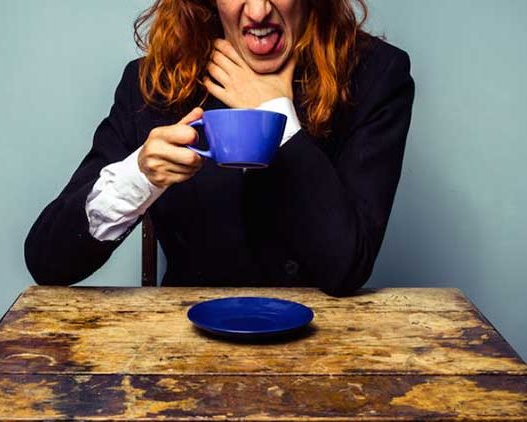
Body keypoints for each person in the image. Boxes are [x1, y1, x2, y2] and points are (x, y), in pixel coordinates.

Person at [25, 0, 415, 296]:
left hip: (323, 350)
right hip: (183, 351)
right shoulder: (152, 84)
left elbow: (347, 267)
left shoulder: (376, 76)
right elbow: (48, 261)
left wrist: (275, 114)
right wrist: (138, 177)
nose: (260, 11)